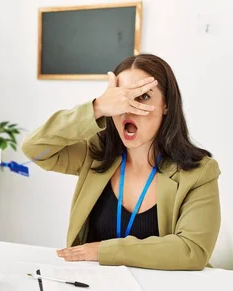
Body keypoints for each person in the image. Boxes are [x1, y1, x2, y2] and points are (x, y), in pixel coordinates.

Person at [21, 54, 220, 271]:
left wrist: (101, 251)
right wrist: (96, 108)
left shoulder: (199, 172)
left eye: (142, 97)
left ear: (166, 105)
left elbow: (192, 250)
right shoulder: (94, 153)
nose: (128, 108)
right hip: (96, 289)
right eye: (120, 98)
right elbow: (35, 148)